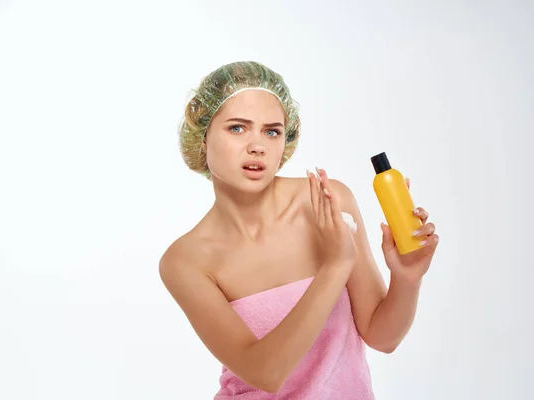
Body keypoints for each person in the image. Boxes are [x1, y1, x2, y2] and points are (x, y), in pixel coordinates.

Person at [159, 61, 439, 399]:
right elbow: (266, 372)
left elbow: (383, 337)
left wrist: (407, 279)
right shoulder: (186, 260)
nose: (257, 145)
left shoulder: (327, 202)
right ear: (202, 139)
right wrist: (335, 265)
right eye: (237, 128)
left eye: (272, 131)